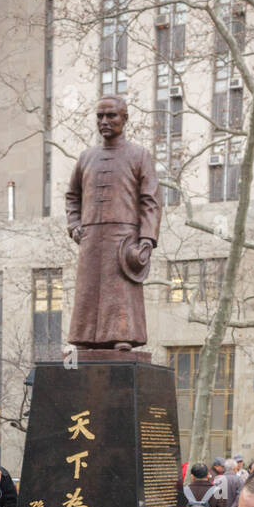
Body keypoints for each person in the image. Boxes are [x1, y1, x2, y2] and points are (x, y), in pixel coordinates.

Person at [66, 96, 162, 349]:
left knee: (120, 293)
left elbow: (150, 200)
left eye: (112, 116)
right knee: (88, 290)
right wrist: (74, 224)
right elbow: (72, 196)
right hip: (91, 238)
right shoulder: (86, 157)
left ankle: (123, 335)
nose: (105, 121)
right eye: (100, 116)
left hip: (124, 238)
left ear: (125, 119)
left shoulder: (139, 155)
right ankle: (85, 337)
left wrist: (147, 240)